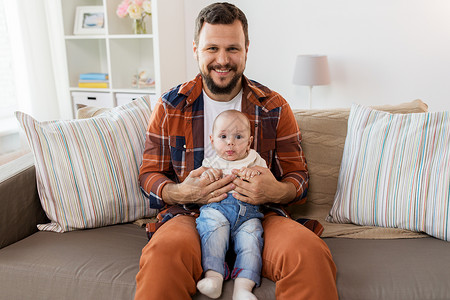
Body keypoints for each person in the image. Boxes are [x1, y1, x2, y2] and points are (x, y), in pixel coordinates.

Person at [135, 2, 338, 300]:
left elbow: (299, 178)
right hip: (191, 217)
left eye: (232, 48)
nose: (222, 59)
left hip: (260, 217)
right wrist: (182, 193)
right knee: (162, 256)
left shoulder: (274, 106)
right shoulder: (169, 106)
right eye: (212, 48)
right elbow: (149, 174)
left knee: (309, 252)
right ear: (196, 50)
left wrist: (274, 191)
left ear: (246, 49)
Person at [196, 109, 266, 299]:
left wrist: (256, 174)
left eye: (238, 137)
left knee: (252, 242)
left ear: (249, 141)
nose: (230, 142)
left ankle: (243, 288)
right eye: (223, 136)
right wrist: (207, 176)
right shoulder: (211, 162)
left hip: (248, 216)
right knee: (212, 230)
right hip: (218, 210)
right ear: (212, 140)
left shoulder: (255, 159)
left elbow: (266, 181)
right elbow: (200, 184)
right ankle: (214, 278)